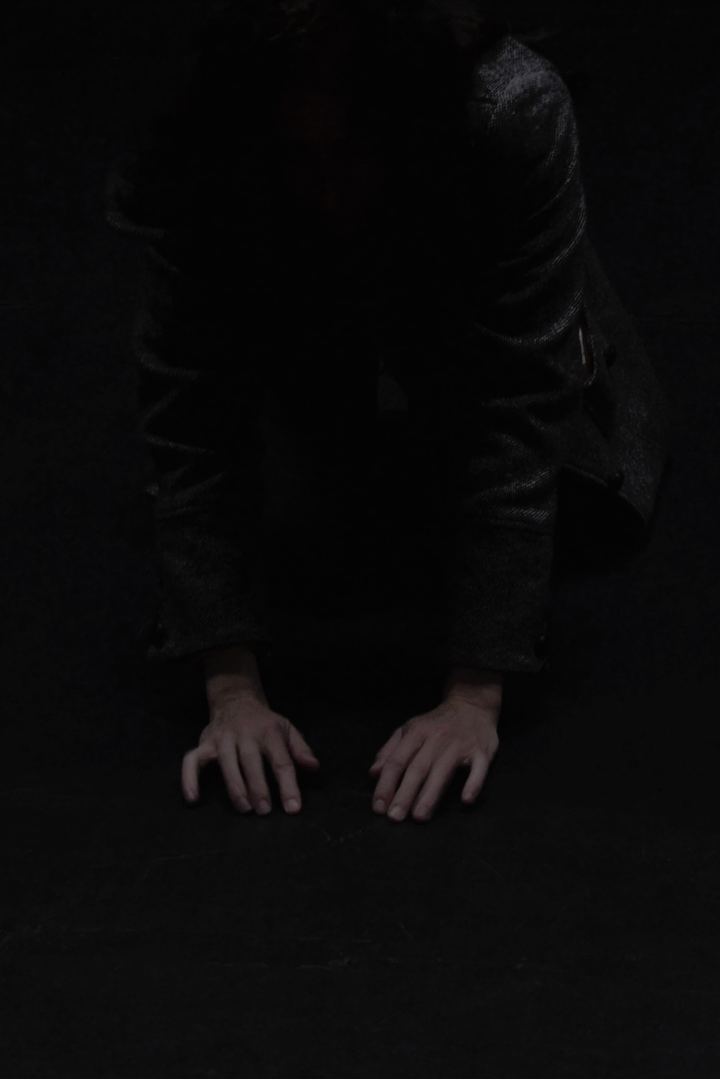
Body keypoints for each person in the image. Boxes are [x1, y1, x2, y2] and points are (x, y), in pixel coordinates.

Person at [105, 0, 671, 823]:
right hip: (318, 335)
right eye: (303, 157)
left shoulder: (507, 107)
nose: (332, 189)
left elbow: (517, 406)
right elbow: (194, 417)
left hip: (470, 310)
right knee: (321, 537)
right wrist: (231, 688)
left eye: (353, 152)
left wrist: (473, 695)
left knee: (550, 512)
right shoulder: (210, 121)